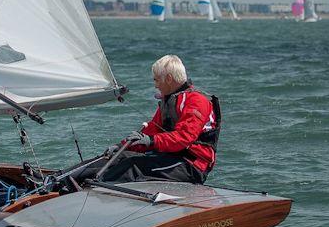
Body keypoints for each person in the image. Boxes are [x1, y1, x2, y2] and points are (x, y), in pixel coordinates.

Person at [67, 54, 220, 185]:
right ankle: (64, 179)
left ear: (168, 78)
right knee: (119, 157)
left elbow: (184, 137)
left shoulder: (196, 100)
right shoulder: (170, 100)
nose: (155, 85)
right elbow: (151, 131)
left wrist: (151, 141)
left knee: (133, 167)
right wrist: (122, 146)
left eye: (156, 80)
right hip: (169, 158)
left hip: (191, 166)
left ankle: (90, 189)